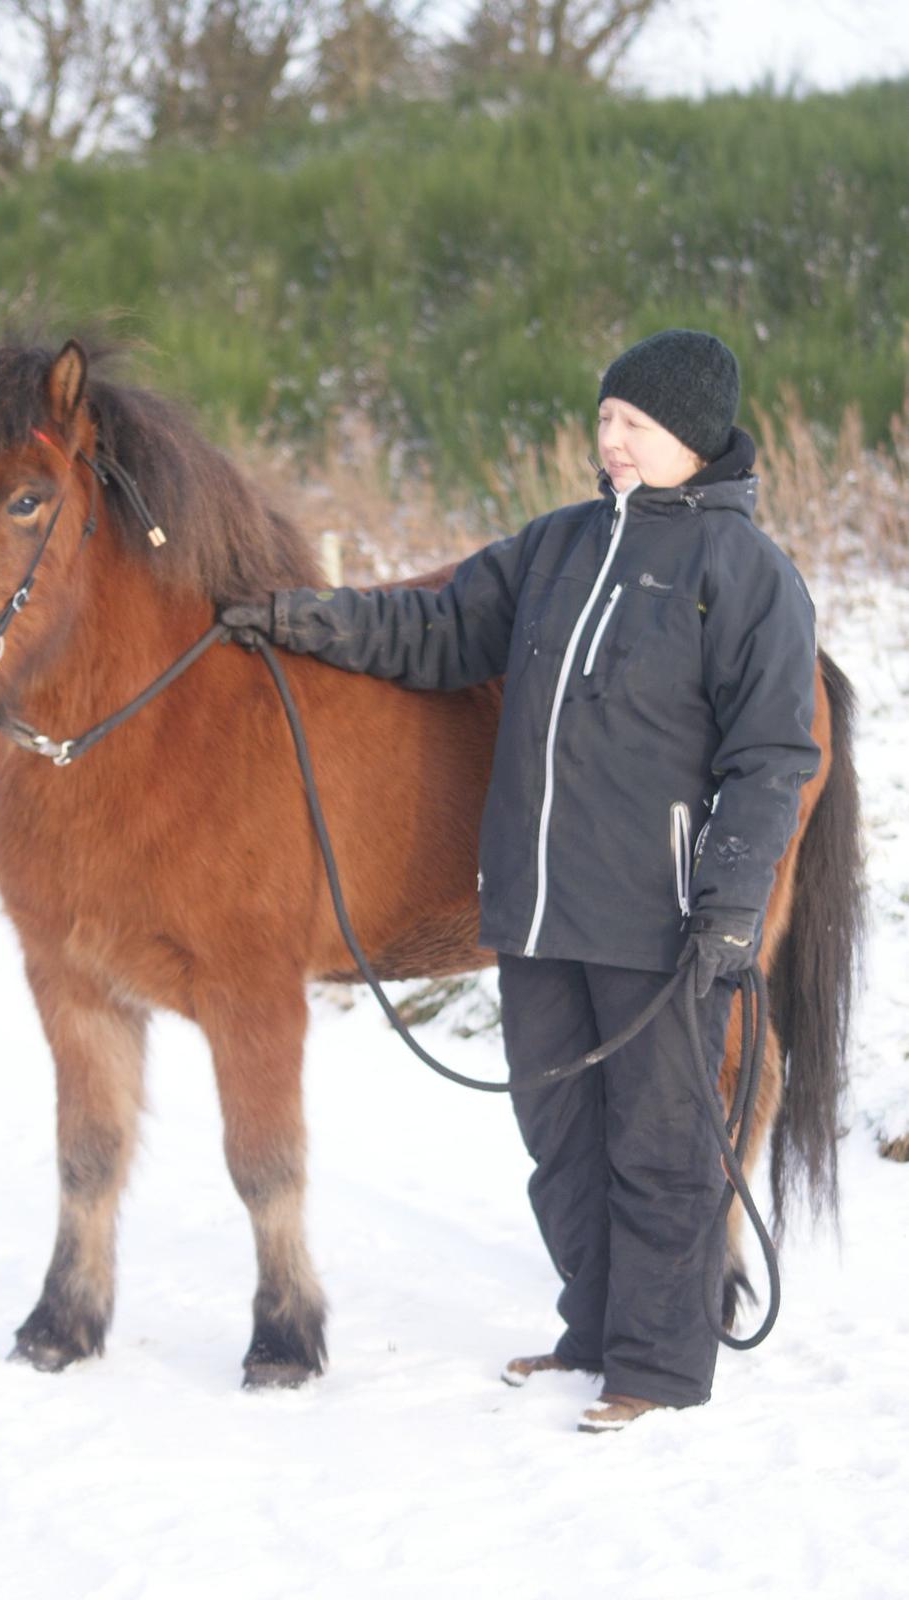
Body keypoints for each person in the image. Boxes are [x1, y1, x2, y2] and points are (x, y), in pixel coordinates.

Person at [221, 329, 820, 1432]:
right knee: (558, 1139)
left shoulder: (746, 577)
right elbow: (439, 631)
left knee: (657, 1141)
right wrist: (309, 620)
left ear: (691, 436)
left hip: (658, 916)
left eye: (633, 425)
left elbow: (772, 756)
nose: (612, 442)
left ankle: (655, 1363)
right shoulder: (557, 546)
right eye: (603, 421)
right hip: (538, 909)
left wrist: (731, 903)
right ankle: (589, 1332)